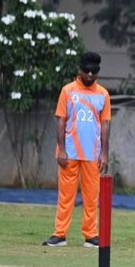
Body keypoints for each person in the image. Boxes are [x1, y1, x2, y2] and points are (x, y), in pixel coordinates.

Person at [42, 51, 111, 247]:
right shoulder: (68, 91)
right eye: (86, 70)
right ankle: (60, 234)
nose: (90, 75)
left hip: (92, 154)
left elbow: (105, 125)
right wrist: (61, 149)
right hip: (69, 153)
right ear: (79, 69)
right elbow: (60, 120)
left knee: (91, 196)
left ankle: (91, 235)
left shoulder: (103, 94)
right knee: (66, 196)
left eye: (94, 72)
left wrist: (104, 153)